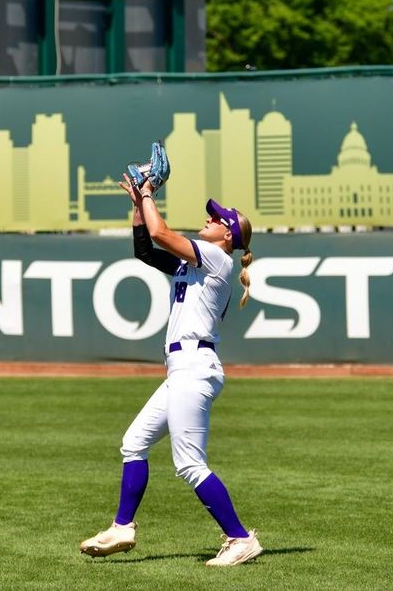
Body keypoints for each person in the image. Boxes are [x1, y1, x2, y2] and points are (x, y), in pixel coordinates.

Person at [78, 173, 262, 567]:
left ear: (227, 236)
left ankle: (240, 538)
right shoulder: (196, 262)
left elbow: (160, 232)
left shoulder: (214, 257)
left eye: (216, 220)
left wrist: (148, 192)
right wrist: (136, 207)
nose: (208, 220)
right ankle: (122, 527)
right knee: (134, 443)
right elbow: (147, 250)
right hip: (182, 369)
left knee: (189, 464)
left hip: (195, 368)